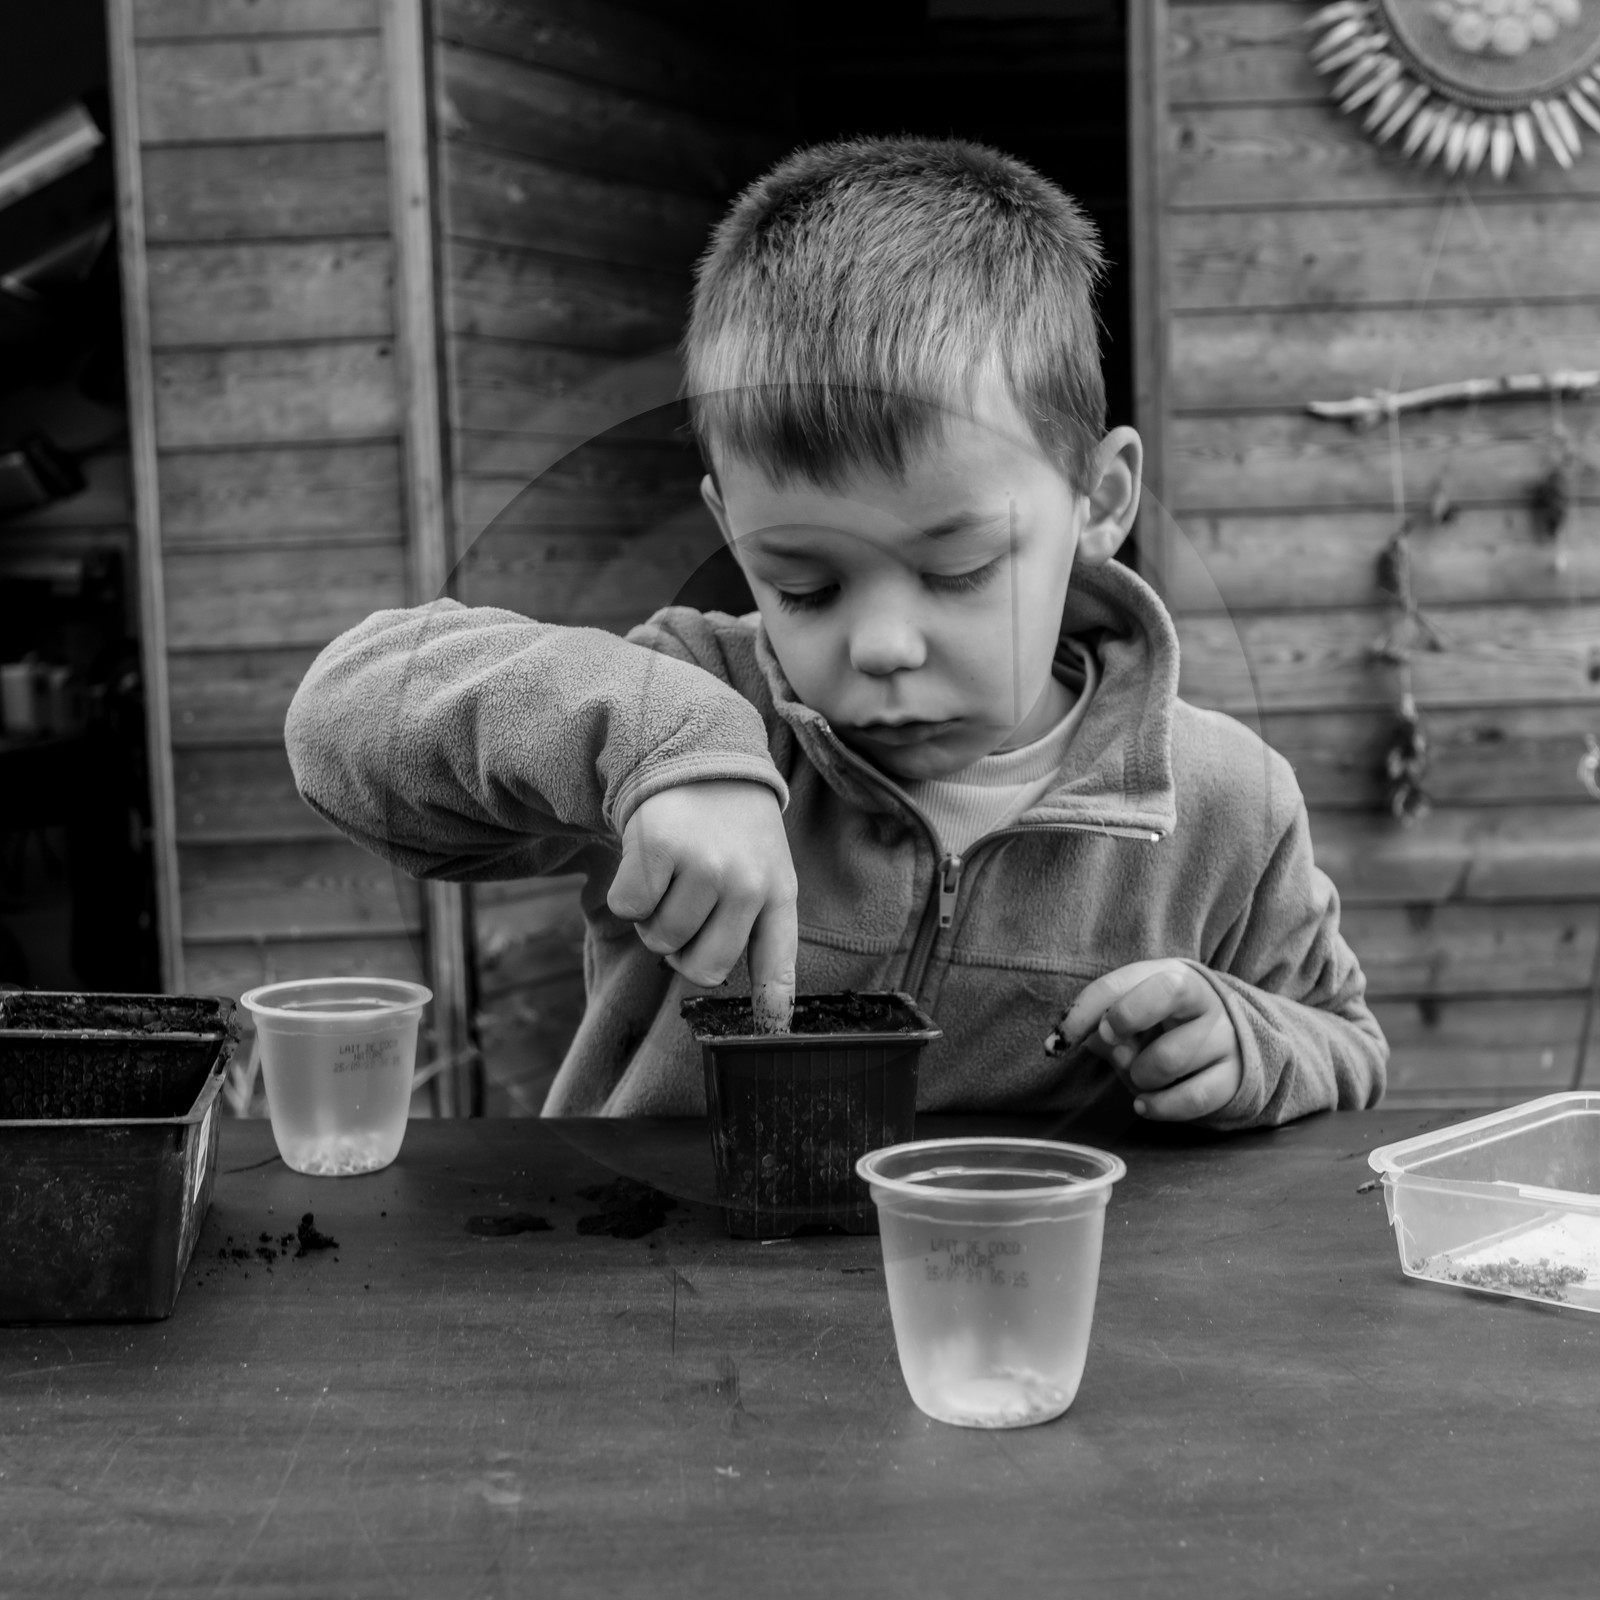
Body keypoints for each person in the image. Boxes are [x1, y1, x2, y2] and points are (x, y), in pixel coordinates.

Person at [286, 136, 1386, 1128]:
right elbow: (344, 720)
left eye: (957, 569)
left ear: (1098, 502)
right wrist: (660, 754)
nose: (882, 646)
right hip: (660, 1311)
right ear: (731, 525)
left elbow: (1343, 1038)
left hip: (1011, 1334)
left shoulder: (1227, 803)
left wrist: (1246, 1043)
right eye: (804, 585)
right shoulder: (696, 709)